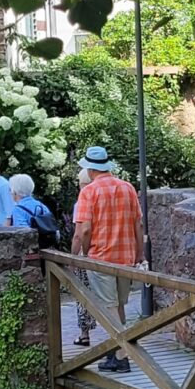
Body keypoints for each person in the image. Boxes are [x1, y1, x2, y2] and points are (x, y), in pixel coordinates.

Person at [73, 146, 143, 374]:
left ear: (90, 169)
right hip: (126, 256)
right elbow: (137, 225)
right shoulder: (128, 188)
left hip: (101, 258)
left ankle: (122, 355)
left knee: (109, 308)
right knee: (119, 306)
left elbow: (84, 230)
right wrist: (139, 254)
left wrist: (83, 255)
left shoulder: (89, 192)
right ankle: (115, 353)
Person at [71, 169, 97, 348]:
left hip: (87, 253)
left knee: (82, 293)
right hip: (105, 252)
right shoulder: (104, 196)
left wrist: (73, 257)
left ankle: (84, 333)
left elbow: (79, 234)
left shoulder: (82, 201)